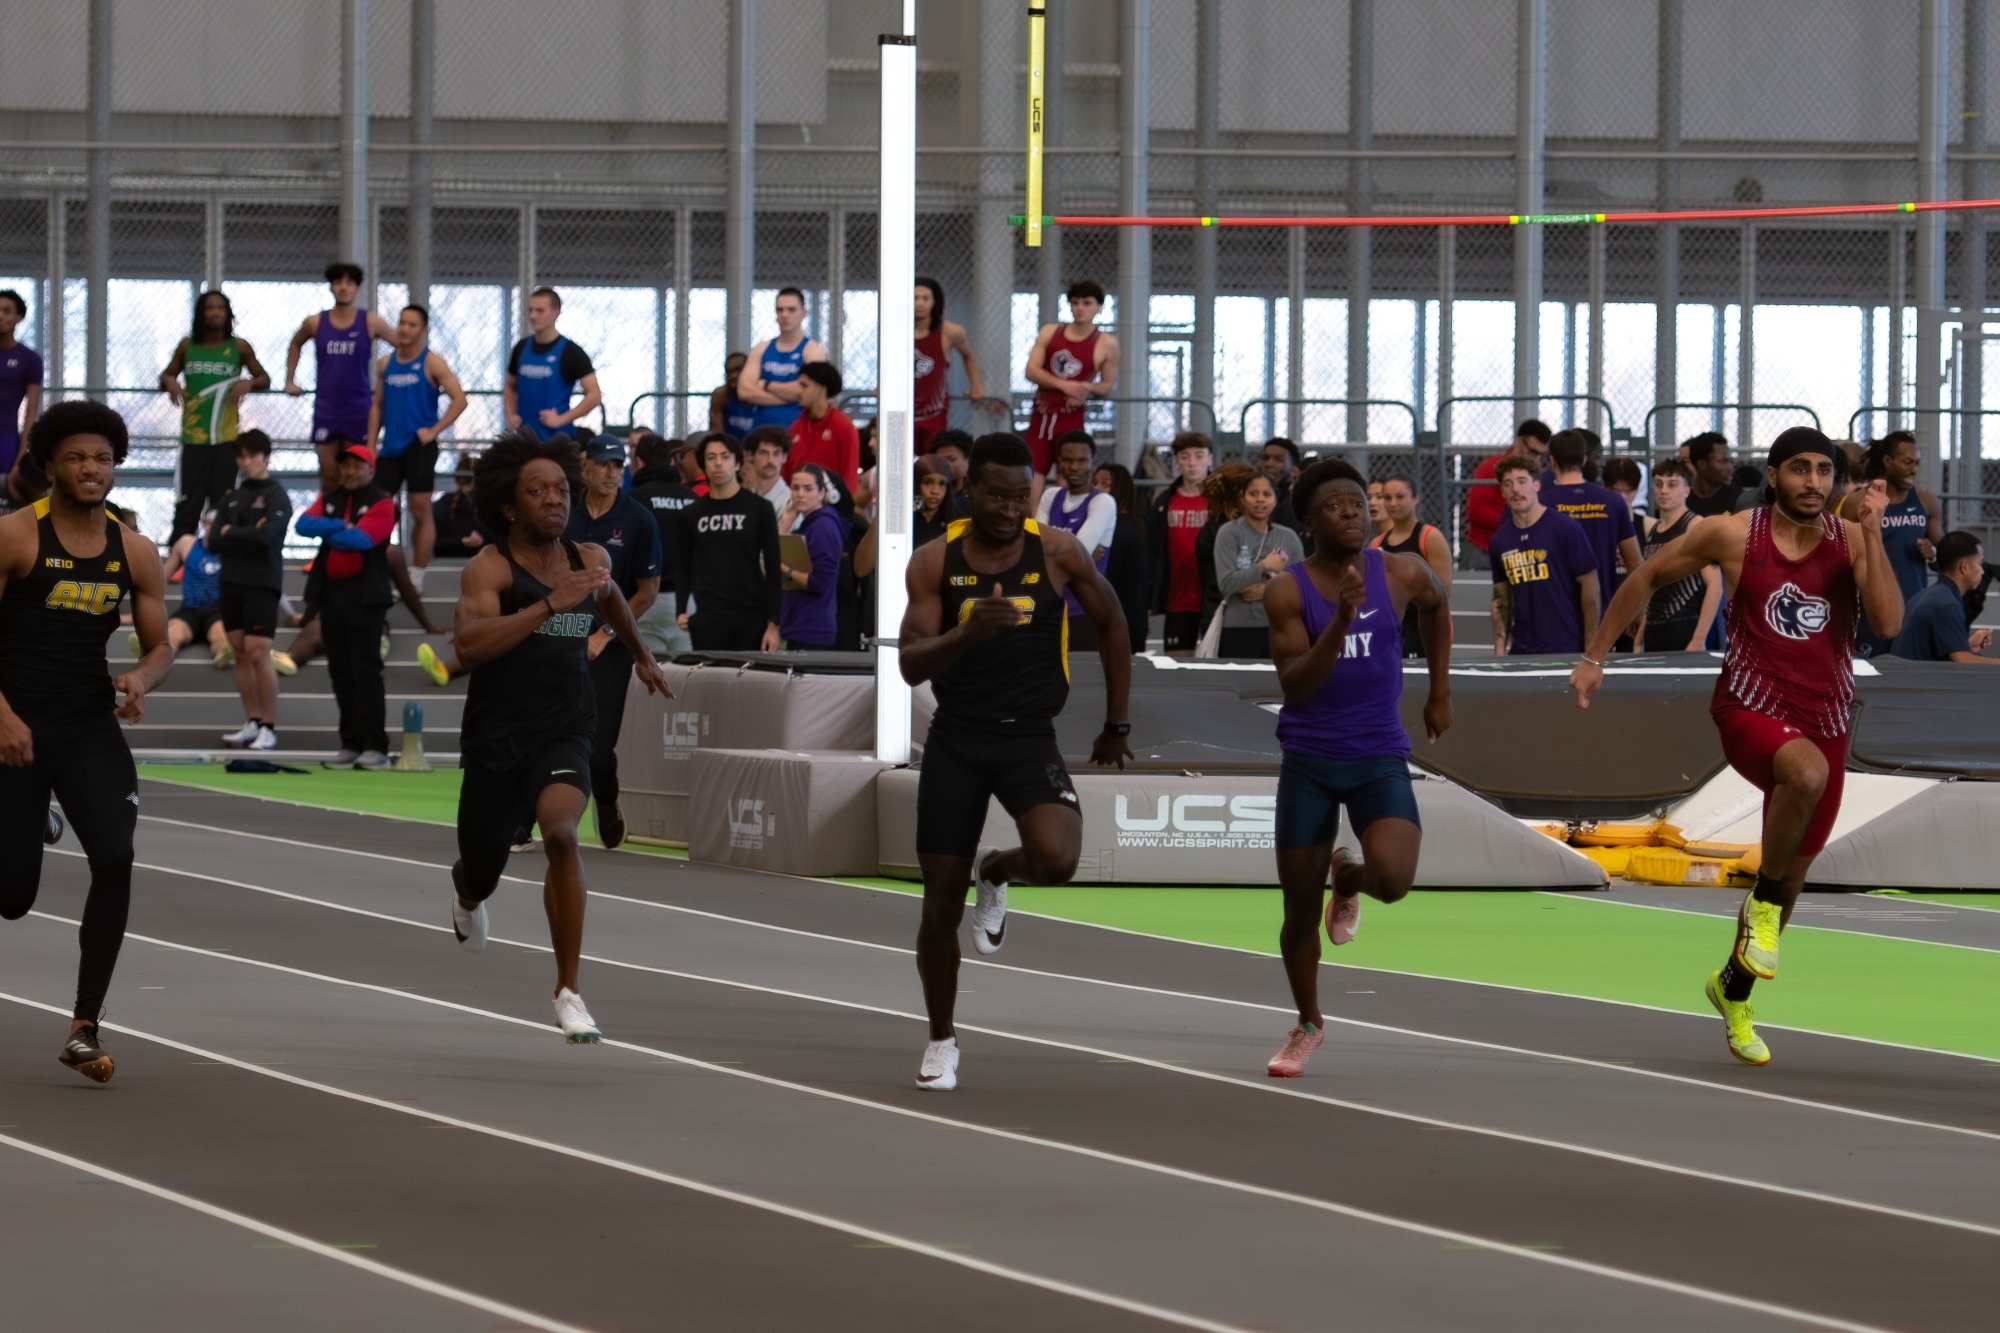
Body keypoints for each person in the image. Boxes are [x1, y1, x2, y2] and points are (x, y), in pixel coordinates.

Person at [1572, 426, 1902, 1067]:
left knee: (1795, 874)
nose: (1814, 482)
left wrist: (1874, 534)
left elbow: (1888, 624)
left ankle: (1734, 989)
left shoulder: (1851, 539)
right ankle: (1763, 906)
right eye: (1800, 469)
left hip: (1828, 717)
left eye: (1824, 471)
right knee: (1800, 777)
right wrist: (1595, 657)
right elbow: (1645, 577)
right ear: (1775, 474)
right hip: (1751, 705)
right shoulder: (1730, 533)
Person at [899, 431, 1133, 1090]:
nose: (1007, 507)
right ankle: (942, 1038)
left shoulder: (1058, 550)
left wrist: (1118, 721)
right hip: (958, 737)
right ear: (969, 490)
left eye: (1017, 494)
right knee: (939, 904)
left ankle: (997, 867)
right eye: (994, 494)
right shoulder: (931, 562)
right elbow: (908, 661)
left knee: (1057, 858)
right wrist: (967, 631)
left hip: (1029, 733)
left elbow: (1114, 623)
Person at [448, 430, 672, 1044]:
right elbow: (467, 647)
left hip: (565, 728)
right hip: (498, 739)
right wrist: (550, 605)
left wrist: (642, 654)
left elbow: (613, 603)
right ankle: (467, 895)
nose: (554, 500)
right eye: (537, 491)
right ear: (509, 506)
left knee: (563, 836)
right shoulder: (488, 568)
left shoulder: (590, 560)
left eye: (561, 490)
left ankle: (568, 991)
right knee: (484, 867)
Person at [0, 401, 173, 1083]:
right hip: (13, 726)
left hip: (87, 724)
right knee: (12, 897)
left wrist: (141, 679)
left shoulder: (134, 549)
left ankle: (84, 1024)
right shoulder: (15, 536)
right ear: (51, 465)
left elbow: (160, 647)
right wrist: (3, 714)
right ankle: (34, 811)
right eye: (75, 457)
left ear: (115, 464)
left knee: (116, 853)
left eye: (100, 458)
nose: (90, 468)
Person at [1263, 458, 1452, 1077]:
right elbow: (1297, 686)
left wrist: (1439, 691)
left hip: (1377, 755)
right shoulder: (1286, 589)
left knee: (1394, 880)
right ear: (1310, 522)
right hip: (1311, 762)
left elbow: (1438, 607)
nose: (1352, 512)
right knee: (1296, 911)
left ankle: (1347, 881)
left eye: (1357, 502)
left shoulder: (1400, 570)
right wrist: (1341, 618)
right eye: (1335, 506)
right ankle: (1308, 1023)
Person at [556, 433, 662, 848]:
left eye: (618, 465)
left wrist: (605, 633)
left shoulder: (639, 518)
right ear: (585, 466)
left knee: (598, 749)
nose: (611, 472)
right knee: (549, 736)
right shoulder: (564, 516)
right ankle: (523, 821)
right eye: (603, 464)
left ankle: (606, 802)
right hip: (560, 641)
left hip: (612, 648)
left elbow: (646, 591)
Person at [296, 442, 398, 769]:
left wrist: (333, 532)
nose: (350, 472)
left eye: (357, 466)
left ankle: (375, 745)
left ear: (370, 469)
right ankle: (351, 743)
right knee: (340, 671)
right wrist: (339, 527)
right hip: (333, 597)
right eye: (346, 466)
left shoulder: (382, 502)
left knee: (365, 671)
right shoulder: (331, 499)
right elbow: (302, 526)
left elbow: (363, 541)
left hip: (366, 599)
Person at [367, 303, 468, 586]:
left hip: (419, 446)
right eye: (402, 323)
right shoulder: (385, 364)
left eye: (412, 325)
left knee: (418, 508)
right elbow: (377, 406)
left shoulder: (431, 362)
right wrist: (372, 443)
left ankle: (417, 574)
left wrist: (434, 430)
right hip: (390, 448)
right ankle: (379, 566)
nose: (404, 329)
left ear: (422, 331)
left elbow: (460, 399)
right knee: (380, 506)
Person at [158, 289, 271, 542]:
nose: (215, 312)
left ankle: (222, 554)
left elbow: (265, 378)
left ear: (228, 313)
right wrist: (171, 382)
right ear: (201, 313)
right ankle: (181, 558)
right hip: (193, 438)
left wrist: (248, 384)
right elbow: (166, 375)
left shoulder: (239, 347)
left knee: (224, 501)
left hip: (226, 439)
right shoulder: (188, 346)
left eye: (220, 307)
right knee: (188, 503)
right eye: (209, 307)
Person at [210, 429, 293, 750]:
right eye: (241, 456)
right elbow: (214, 540)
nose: (246, 462)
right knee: (241, 654)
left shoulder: (276, 495)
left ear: (266, 456)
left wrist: (234, 532)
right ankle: (253, 721)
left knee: (259, 653)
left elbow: (268, 537)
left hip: (262, 582)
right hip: (231, 581)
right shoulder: (233, 496)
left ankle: (269, 727)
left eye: (252, 455)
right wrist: (243, 533)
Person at [284, 262, 397, 490]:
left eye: (349, 283)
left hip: (358, 409)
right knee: (328, 474)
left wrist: (389, 382)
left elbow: (403, 346)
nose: (343, 287)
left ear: (357, 288)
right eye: (338, 282)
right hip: (327, 408)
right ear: (331, 287)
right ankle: (330, 523)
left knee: (359, 474)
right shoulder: (316, 322)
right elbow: (295, 343)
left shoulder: (369, 321)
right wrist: (289, 380)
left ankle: (356, 524)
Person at [673, 432, 782, 652]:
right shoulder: (691, 514)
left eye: (724, 456)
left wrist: (774, 623)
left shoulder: (760, 509)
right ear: (703, 464)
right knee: (710, 685)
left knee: (750, 685)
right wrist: (681, 609)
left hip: (752, 617)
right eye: (711, 457)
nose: (718, 463)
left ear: (737, 462)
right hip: (708, 618)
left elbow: (773, 566)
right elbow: (683, 567)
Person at [1489, 455, 1600, 656]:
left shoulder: (1564, 527)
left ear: (1537, 485)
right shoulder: (1499, 540)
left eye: (1522, 481)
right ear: (1502, 492)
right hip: (1521, 649)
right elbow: (1501, 600)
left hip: (1566, 647)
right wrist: (1499, 650)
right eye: (1508, 484)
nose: (1515, 489)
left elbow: (1590, 583)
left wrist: (1591, 643)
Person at [1023, 280, 1120, 482]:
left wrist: (1086, 388)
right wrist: (1066, 386)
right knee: (1031, 477)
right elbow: (1031, 371)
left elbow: (1107, 386)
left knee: (1068, 477)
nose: (1080, 308)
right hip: (1041, 415)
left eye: (1086, 303)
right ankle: (1030, 515)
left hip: (1071, 417)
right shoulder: (1050, 332)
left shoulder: (1106, 344)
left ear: (1099, 307)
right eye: (1075, 303)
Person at [1857, 431, 1942, 658]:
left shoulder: (1925, 501)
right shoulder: (1861, 502)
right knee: (1871, 680)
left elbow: (1946, 558)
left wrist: (1932, 553)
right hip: (1872, 611)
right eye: (1907, 462)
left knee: (1913, 680)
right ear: (1888, 461)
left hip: (1913, 612)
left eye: (1916, 463)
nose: (1913, 469)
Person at [1035, 430, 1118, 651]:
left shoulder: (1103, 502)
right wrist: (1070, 552)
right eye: (1068, 460)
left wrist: (1059, 550)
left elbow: (1073, 554)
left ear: (1093, 462)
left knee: (1082, 681)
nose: (1074, 467)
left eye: (1081, 460)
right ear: (1059, 461)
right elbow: (1033, 548)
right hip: (1048, 608)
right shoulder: (1050, 495)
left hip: (1084, 611)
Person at [1542, 428, 1642, 612]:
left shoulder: (1541, 503)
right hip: (1605, 612)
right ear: (1584, 459)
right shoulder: (1613, 501)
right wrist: (1632, 610)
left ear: (1552, 461)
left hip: (1554, 615)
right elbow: (1635, 562)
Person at [1632, 459, 1722, 652]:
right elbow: (1651, 585)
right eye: (1658, 484)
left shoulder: (1695, 525)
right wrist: (1641, 635)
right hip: (1654, 632)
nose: (1663, 490)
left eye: (1672, 485)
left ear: (1686, 491)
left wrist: (1699, 638)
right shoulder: (1655, 528)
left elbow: (1715, 585)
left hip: (1685, 628)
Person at [1214, 471, 1306, 660]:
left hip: (1279, 626)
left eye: (1266, 494)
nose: (1260, 500)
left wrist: (1266, 590)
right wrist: (1264, 566)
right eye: (1253, 494)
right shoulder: (1229, 533)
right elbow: (1227, 584)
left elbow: (1303, 587)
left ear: (1275, 498)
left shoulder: (1288, 537)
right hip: (1239, 627)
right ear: (1242, 497)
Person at [627, 431, 698, 658]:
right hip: (689, 602)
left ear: (639, 461)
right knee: (688, 676)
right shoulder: (693, 499)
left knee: (650, 677)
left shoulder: (633, 500)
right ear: (670, 461)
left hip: (647, 599)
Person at [504, 287, 603, 442]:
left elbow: (594, 395)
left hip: (557, 440)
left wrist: (562, 419)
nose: (533, 315)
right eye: (530, 310)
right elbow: (509, 386)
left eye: (540, 310)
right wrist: (510, 414)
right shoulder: (521, 348)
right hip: (524, 440)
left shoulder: (571, 352)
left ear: (555, 312)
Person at [1370, 474, 1453, 658]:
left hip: (1423, 631)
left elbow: (1443, 591)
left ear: (1415, 498)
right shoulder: (1376, 544)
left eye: (1399, 497)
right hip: (1391, 631)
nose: (1392, 503)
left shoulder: (1430, 538)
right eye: (1387, 498)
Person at [1147, 431, 1214, 654]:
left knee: (1216, 663)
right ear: (1176, 461)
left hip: (1212, 596)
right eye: (1185, 456)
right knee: (1177, 663)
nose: (1192, 462)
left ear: (1210, 459)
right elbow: (1153, 551)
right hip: (1178, 597)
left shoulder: (1220, 501)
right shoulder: (1165, 501)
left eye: (1198, 455)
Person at [912, 278, 995, 456]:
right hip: (903, 410)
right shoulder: (895, 330)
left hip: (934, 412)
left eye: (925, 298)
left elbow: (968, 355)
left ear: (935, 301)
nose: (920, 303)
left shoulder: (950, 332)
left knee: (932, 462)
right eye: (915, 297)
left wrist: (976, 386)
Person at [1892, 532, 1999, 665]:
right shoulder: (1947, 605)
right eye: (1979, 563)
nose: (1982, 571)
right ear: (1964, 567)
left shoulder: (1930, 595)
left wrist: (1967, 644)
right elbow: (1963, 661)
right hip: (1917, 682)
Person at [737, 288, 827, 435]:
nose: (785, 315)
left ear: (803, 313)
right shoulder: (760, 349)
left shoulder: (813, 351)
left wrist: (766, 385)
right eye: (780, 310)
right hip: (763, 433)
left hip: (800, 433)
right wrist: (790, 397)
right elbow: (744, 391)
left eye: (791, 310)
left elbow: (807, 390)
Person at [150, 510, 231, 670]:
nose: (212, 527)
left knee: (220, 635)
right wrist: (144, 611)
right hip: (190, 609)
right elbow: (161, 578)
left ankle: (222, 653)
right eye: (209, 523)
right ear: (202, 523)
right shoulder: (186, 543)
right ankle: (157, 656)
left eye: (218, 523)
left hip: (218, 611)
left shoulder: (234, 548)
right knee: (172, 633)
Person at [778, 463, 843, 650]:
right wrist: (785, 524)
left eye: (808, 489)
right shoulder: (810, 524)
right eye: (795, 488)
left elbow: (820, 583)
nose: (800, 494)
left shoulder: (823, 526)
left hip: (812, 627)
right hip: (801, 622)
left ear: (821, 493)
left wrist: (783, 569)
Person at [1465, 419, 1550, 558]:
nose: (1536, 458)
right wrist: (1518, 523)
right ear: (1520, 441)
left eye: (1541, 455)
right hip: (1486, 547)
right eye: (1532, 452)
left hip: (1522, 549)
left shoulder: (1539, 475)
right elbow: (1476, 512)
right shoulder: (1490, 468)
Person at [1093, 462, 1153, 651]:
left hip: (1119, 624)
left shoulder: (1120, 529)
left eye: (1104, 483)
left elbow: (1106, 579)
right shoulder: (1134, 524)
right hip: (1129, 620)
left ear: (1121, 489)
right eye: (1094, 482)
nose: (1096, 488)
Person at [785, 361, 860, 504]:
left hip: (832, 507)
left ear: (821, 390)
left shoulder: (844, 428)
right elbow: (786, 475)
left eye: (804, 386)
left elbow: (849, 479)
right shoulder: (795, 428)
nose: (798, 391)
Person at [0, 288, 44, 475]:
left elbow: (31, 410)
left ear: (18, 317)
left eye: (6, 311)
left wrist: (22, 453)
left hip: (6, 438)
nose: (0, 316)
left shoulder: (29, 359)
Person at [431, 459, 488, 559]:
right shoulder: (486, 508)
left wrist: (460, 542)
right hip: (481, 563)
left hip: (443, 564)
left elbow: (434, 545)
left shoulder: (440, 505)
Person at [1684, 432, 1740, 517]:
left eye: (1730, 461)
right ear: (1701, 464)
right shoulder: (1682, 501)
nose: (1730, 468)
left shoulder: (1738, 501)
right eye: (1723, 461)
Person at [741, 425, 793, 513]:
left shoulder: (790, 501)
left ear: (784, 457)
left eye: (776, 454)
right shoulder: (742, 495)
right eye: (763, 453)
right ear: (750, 456)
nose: (770, 460)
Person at [1259, 436, 1302, 531]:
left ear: (1293, 467)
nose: (1269, 464)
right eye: (1266, 458)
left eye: (1278, 460)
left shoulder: (1296, 497)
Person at [913, 454, 956, 548]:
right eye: (927, 482)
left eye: (942, 484)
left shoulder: (958, 521)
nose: (935, 491)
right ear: (916, 484)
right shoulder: (903, 519)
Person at [928, 430, 974, 514]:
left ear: (968, 461)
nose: (945, 464)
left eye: (951, 459)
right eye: (940, 460)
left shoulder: (974, 502)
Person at [711, 351, 753, 438]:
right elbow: (717, 434)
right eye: (729, 372)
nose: (733, 375)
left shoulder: (764, 395)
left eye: (738, 370)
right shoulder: (721, 396)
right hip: (731, 448)